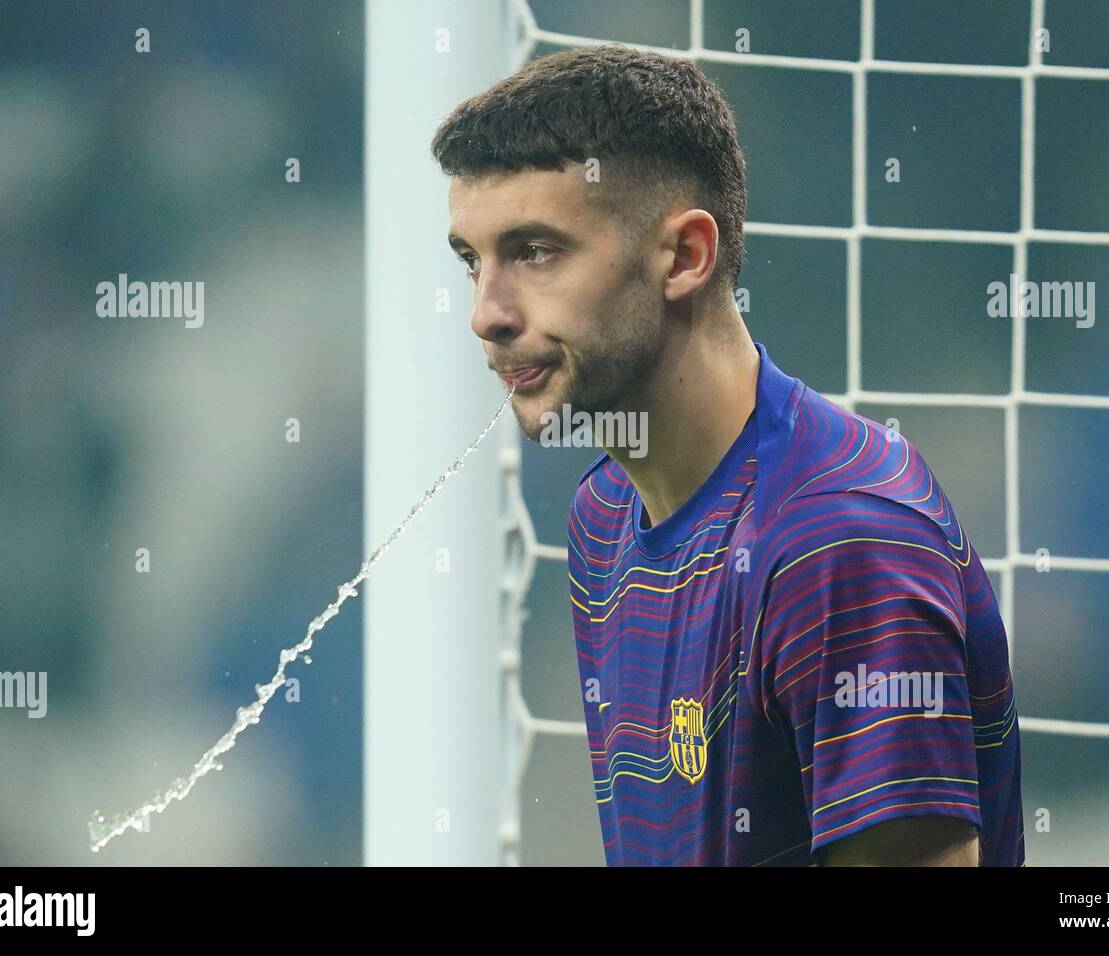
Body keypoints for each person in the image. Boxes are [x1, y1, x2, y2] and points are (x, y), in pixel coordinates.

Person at [432, 43, 1023, 866]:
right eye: (472, 261)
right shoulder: (604, 515)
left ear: (685, 256)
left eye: (535, 252)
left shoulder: (839, 544)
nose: (486, 314)